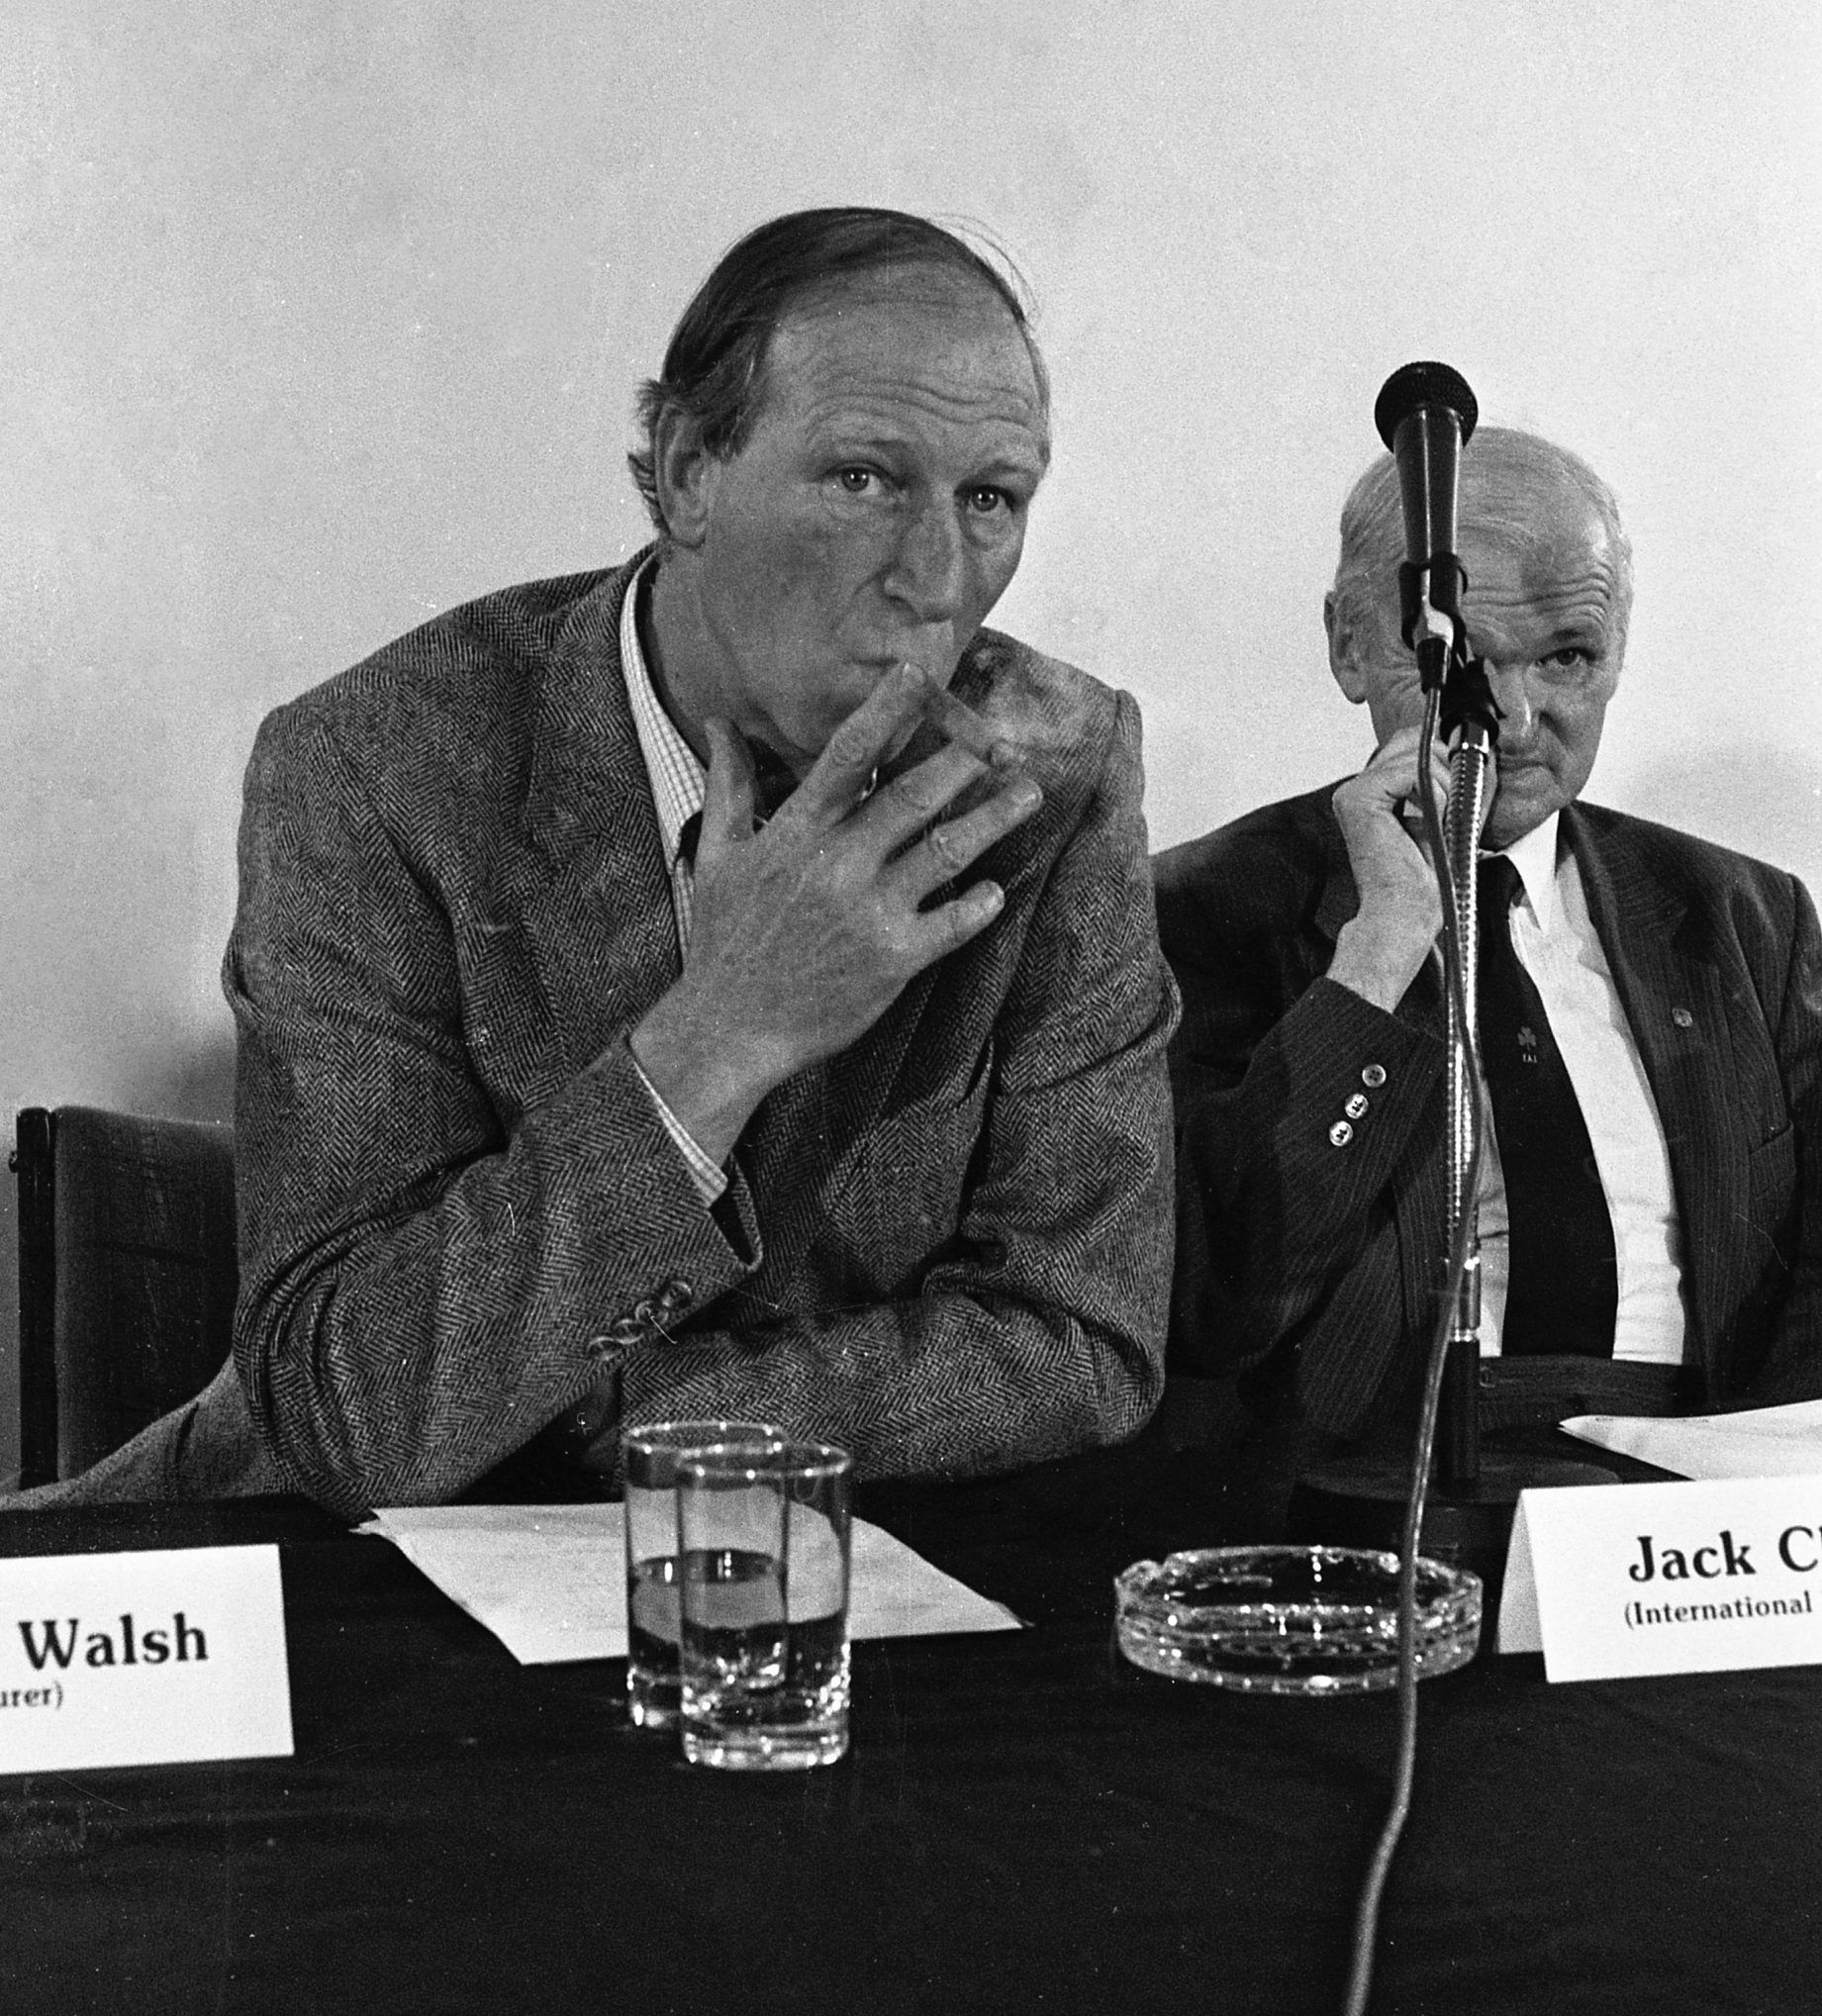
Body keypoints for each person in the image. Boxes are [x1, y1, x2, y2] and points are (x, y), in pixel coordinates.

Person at [21, 208, 1176, 1516]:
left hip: (803, 1574)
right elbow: (351, 1409)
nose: (937, 576)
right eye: (863, 478)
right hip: (331, 1570)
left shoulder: (1053, 771)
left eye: (989, 498)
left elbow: (1083, 1338)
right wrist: (719, 1038)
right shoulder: (376, 765)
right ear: (685, 474)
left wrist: (621, 1412)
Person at [1155, 427, 1820, 1450]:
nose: (1510, 719)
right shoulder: (1201, 909)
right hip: (1374, 1491)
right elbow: (1209, 1301)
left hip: (1692, 1499)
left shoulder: (1745, 921)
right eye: (1456, 658)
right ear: (1346, 643)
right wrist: (1378, 953)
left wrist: (1751, 1485)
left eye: (1566, 656)